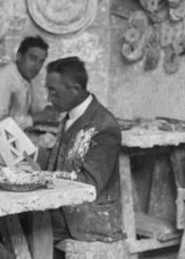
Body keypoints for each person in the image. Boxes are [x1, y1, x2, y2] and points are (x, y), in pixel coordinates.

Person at [39, 56, 124, 242]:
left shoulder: (104, 126)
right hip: (65, 208)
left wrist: (46, 178)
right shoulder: (71, 116)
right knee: (6, 223)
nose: (48, 98)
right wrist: (36, 156)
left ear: (75, 89)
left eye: (53, 92)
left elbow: (89, 185)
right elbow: (64, 165)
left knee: (20, 227)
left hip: (87, 218)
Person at [0, 36, 58, 163]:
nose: (36, 66)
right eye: (32, 59)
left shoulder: (24, 80)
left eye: (41, 61)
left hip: (8, 144)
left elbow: (35, 111)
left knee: (52, 152)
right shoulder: (3, 80)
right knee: (37, 162)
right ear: (19, 56)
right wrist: (36, 118)